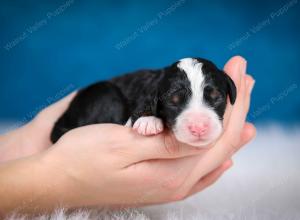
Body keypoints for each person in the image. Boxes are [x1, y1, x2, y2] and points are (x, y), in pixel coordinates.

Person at [0, 56, 255, 217]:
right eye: (177, 102)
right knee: (109, 99)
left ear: (227, 91)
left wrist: (28, 145)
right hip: (94, 105)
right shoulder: (152, 90)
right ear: (160, 99)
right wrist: (53, 176)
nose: (199, 124)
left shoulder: (167, 87)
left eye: (213, 99)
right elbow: (141, 112)